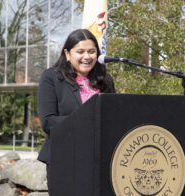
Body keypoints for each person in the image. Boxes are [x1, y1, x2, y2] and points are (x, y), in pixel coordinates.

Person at [37, 29, 115, 192]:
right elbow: (48, 121)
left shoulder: (106, 81)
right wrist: (87, 121)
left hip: (99, 160)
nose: (87, 57)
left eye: (92, 51)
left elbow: (113, 117)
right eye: (80, 51)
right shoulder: (51, 77)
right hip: (64, 159)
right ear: (67, 53)